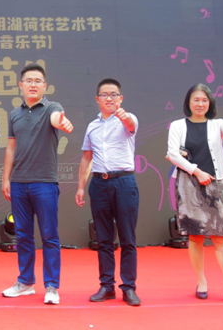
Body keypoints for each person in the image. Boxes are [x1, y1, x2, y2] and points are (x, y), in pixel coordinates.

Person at [166, 83, 223, 305]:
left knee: (220, 237)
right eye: (196, 99)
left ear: (210, 103)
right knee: (195, 237)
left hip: (215, 184)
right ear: (188, 102)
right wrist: (197, 172)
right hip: (188, 184)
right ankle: (201, 282)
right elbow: (173, 154)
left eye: (204, 100)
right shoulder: (177, 125)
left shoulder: (217, 125)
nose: (200, 104)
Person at [1, 63, 73, 305]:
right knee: (23, 235)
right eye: (28, 81)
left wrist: (61, 122)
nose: (33, 84)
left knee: (49, 235)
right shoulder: (14, 114)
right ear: (20, 85)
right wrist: (6, 178)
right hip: (19, 183)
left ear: (45, 86)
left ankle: (51, 286)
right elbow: (11, 148)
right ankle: (25, 282)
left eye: (37, 81)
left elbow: (56, 119)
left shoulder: (52, 107)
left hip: (44, 183)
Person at [75, 78, 141, 306]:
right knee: (103, 239)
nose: (109, 98)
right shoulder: (92, 127)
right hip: (99, 184)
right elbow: (86, 158)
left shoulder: (127, 119)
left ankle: (129, 287)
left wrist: (124, 116)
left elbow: (130, 124)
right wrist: (81, 186)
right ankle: (106, 286)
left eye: (114, 94)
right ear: (97, 99)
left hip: (124, 183)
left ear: (120, 98)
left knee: (127, 238)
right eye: (105, 94)